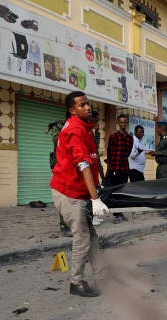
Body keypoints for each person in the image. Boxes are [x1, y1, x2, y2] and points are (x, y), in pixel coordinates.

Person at [50, 91, 109, 297]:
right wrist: (96, 199)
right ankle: (76, 282)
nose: (87, 107)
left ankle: (101, 278)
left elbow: (92, 162)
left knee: (91, 236)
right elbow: (83, 164)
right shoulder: (75, 130)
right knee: (82, 238)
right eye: (82, 105)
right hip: (69, 193)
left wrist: (96, 190)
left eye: (88, 104)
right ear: (72, 110)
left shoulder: (85, 128)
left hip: (79, 191)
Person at [106, 114, 133, 224]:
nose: (123, 124)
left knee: (122, 192)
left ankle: (121, 212)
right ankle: (116, 215)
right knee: (115, 192)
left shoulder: (130, 138)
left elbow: (128, 152)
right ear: (118, 123)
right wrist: (108, 169)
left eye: (124, 122)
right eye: (121, 122)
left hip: (125, 168)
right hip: (115, 168)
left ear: (127, 123)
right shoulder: (113, 137)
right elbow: (109, 153)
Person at [48, 116, 73, 237]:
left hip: (74, 167)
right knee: (63, 196)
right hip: (61, 167)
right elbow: (57, 141)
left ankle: (73, 223)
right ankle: (64, 225)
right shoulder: (59, 127)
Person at [147, 121, 167, 219]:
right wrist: (155, 152)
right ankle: (166, 208)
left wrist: (158, 153)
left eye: (157, 129)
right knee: (161, 188)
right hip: (162, 167)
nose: (157, 131)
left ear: (161, 129)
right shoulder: (162, 139)